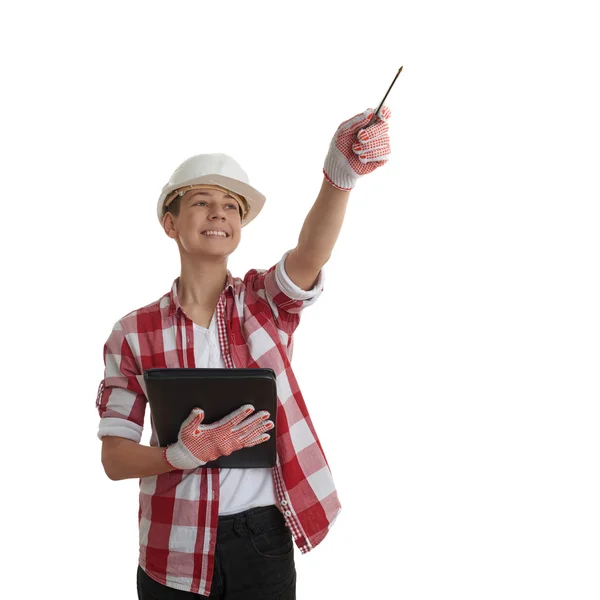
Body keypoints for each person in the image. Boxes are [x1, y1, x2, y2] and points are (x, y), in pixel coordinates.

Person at [96, 105, 392, 599]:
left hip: (262, 541)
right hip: (173, 544)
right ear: (170, 224)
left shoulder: (264, 303)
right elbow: (115, 459)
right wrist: (180, 454)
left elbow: (310, 254)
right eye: (201, 202)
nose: (218, 213)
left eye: (231, 206)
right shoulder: (132, 332)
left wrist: (339, 177)